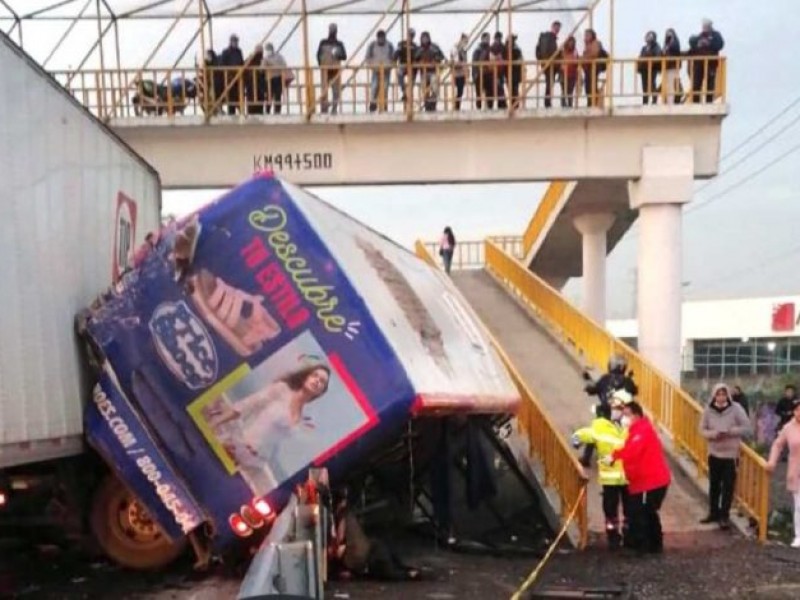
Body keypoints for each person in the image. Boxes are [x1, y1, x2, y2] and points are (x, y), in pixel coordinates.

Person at [205, 355, 331, 487]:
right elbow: (245, 405)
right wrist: (215, 423)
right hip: (236, 446)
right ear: (306, 376)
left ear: (321, 393)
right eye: (315, 375)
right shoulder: (282, 390)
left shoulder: (303, 418)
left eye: (322, 382)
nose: (317, 381)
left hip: (255, 464)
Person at [609, 398, 671, 554]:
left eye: (627, 414)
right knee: (648, 513)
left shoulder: (642, 431)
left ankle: (641, 546)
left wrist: (614, 456)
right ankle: (654, 545)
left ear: (636, 415)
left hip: (649, 482)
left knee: (640, 513)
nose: (624, 418)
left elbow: (632, 451)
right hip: (645, 482)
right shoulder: (637, 430)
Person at [572, 392, 629, 549]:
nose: (618, 411)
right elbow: (581, 435)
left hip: (628, 477)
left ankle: (628, 533)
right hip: (610, 478)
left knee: (630, 508)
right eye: (615, 408)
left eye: (620, 408)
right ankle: (613, 536)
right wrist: (575, 441)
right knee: (610, 509)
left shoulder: (627, 426)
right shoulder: (601, 426)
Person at [699, 383, 751, 529]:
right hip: (714, 452)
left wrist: (730, 431)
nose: (721, 397)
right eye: (718, 394)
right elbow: (702, 429)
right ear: (714, 395)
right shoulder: (708, 410)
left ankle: (724, 515)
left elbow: (746, 427)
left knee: (728, 486)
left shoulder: (736, 409)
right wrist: (713, 434)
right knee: (714, 485)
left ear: (727, 395)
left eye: (723, 394)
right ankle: (713, 512)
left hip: (730, 454)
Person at [580, 354, 638, 466]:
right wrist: (630, 379)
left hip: (605, 412)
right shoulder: (627, 381)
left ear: (611, 366)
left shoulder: (605, 378)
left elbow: (593, 389)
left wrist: (588, 386)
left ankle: (585, 459)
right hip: (621, 414)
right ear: (623, 367)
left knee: (593, 432)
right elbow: (635, 391)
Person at [766, 398, 800, 548]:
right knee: (799, 506)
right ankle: (799, 535)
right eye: (798, 409)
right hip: (796, 471)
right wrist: (772, 461)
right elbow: (777, 445)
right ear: (794, 411)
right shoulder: (788, 428)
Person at [317, 23, 347, 115]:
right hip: (325, 70)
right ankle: (324, 109)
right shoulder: (323, 42)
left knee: (335, 91)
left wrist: (338, 55)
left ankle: (334, 108)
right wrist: (321, 65)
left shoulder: (339, 44)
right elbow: (318, 55)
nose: (332, 32)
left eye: (333, 30)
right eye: (331, 30)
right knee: (324, 90)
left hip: (335, 70)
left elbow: (344, 56)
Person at [366, 30, 394, 112]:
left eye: (382, 37)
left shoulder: (390, 45)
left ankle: (384, 105)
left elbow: (393, 58)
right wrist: (372, 66)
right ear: (377, 38)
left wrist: (390, 66)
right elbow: (367, 57)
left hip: (386, 70)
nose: (381, 39)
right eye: (379, 37)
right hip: (376, 70)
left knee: (385, 88)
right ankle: (373, 103)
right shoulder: (372, 45)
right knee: (374, 86)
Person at [535, 20, 561, 108]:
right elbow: (544, 51)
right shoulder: (549, 38)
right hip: (549, 65)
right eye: (556, 27)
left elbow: (538, 50)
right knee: (549, 83)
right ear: (552, 27)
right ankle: (547, 102)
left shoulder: (549, 38)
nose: (557, 29)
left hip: (550, 64)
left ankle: (548, 101)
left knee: (550, 83)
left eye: (558, 28)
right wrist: (545, 61)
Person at [637, 31, 661, 105]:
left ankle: (654, 100)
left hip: (652, 68)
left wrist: (651, 61)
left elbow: (658, 56)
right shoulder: (644, 48)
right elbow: (640, 56)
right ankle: (645, 101)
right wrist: (639, 65)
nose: (648, 38)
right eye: (647, 36)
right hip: (644, 69)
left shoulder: (656, 46)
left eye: (650, 36)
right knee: (644, 86)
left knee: (651, 84)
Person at [661, 28, 682, 104]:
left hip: (672, 65)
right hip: (666, 66)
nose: (668, 35)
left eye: (670, 33)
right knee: (667, 84)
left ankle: (671, 101)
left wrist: (670, 43)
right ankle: (667, 100)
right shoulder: (666, 43)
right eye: (667, 33)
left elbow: (676, 50)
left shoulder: (675, 42)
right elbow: (663, 53)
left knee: (671, 84)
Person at [450, 33, 469, 111]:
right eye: (465, 41)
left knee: (460, 92)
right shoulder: (455, 49)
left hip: (462, 73)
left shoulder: (463, 51)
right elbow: (455, 61)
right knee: (458, 92)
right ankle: (456, 107)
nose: (466, 43)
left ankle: (457, 107)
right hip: (457, 74)